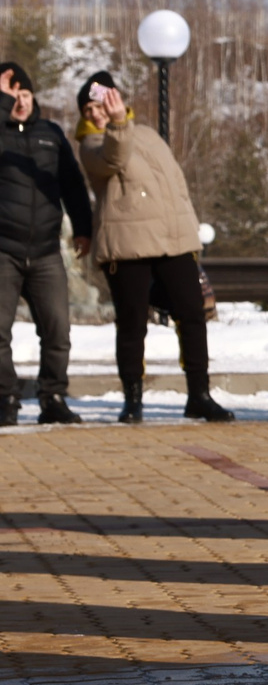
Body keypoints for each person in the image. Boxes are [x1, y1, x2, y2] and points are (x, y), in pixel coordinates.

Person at [73, 72, 229, 424]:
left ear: (117, 101)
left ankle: (199, 395)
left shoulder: (148, 135)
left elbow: (175, 186)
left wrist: (188, 232)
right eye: (88, 109)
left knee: (192, 314)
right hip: (126, 246)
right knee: (132, 324)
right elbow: (113, 158)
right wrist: (115, 123)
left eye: (100, 105)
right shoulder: (92, 143)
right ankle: (133, 399)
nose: (95, 114)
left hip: (173, 242)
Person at [0, 62, 92, 425]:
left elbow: (72, 185)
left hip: (46, 251)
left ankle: (53, 397)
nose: (20, 102)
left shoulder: (51, 134)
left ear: (34, 95)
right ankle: (5, 399)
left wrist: (84, 227)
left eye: (24, 94)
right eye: (12, 95)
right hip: (3, 248)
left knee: (57, 329)